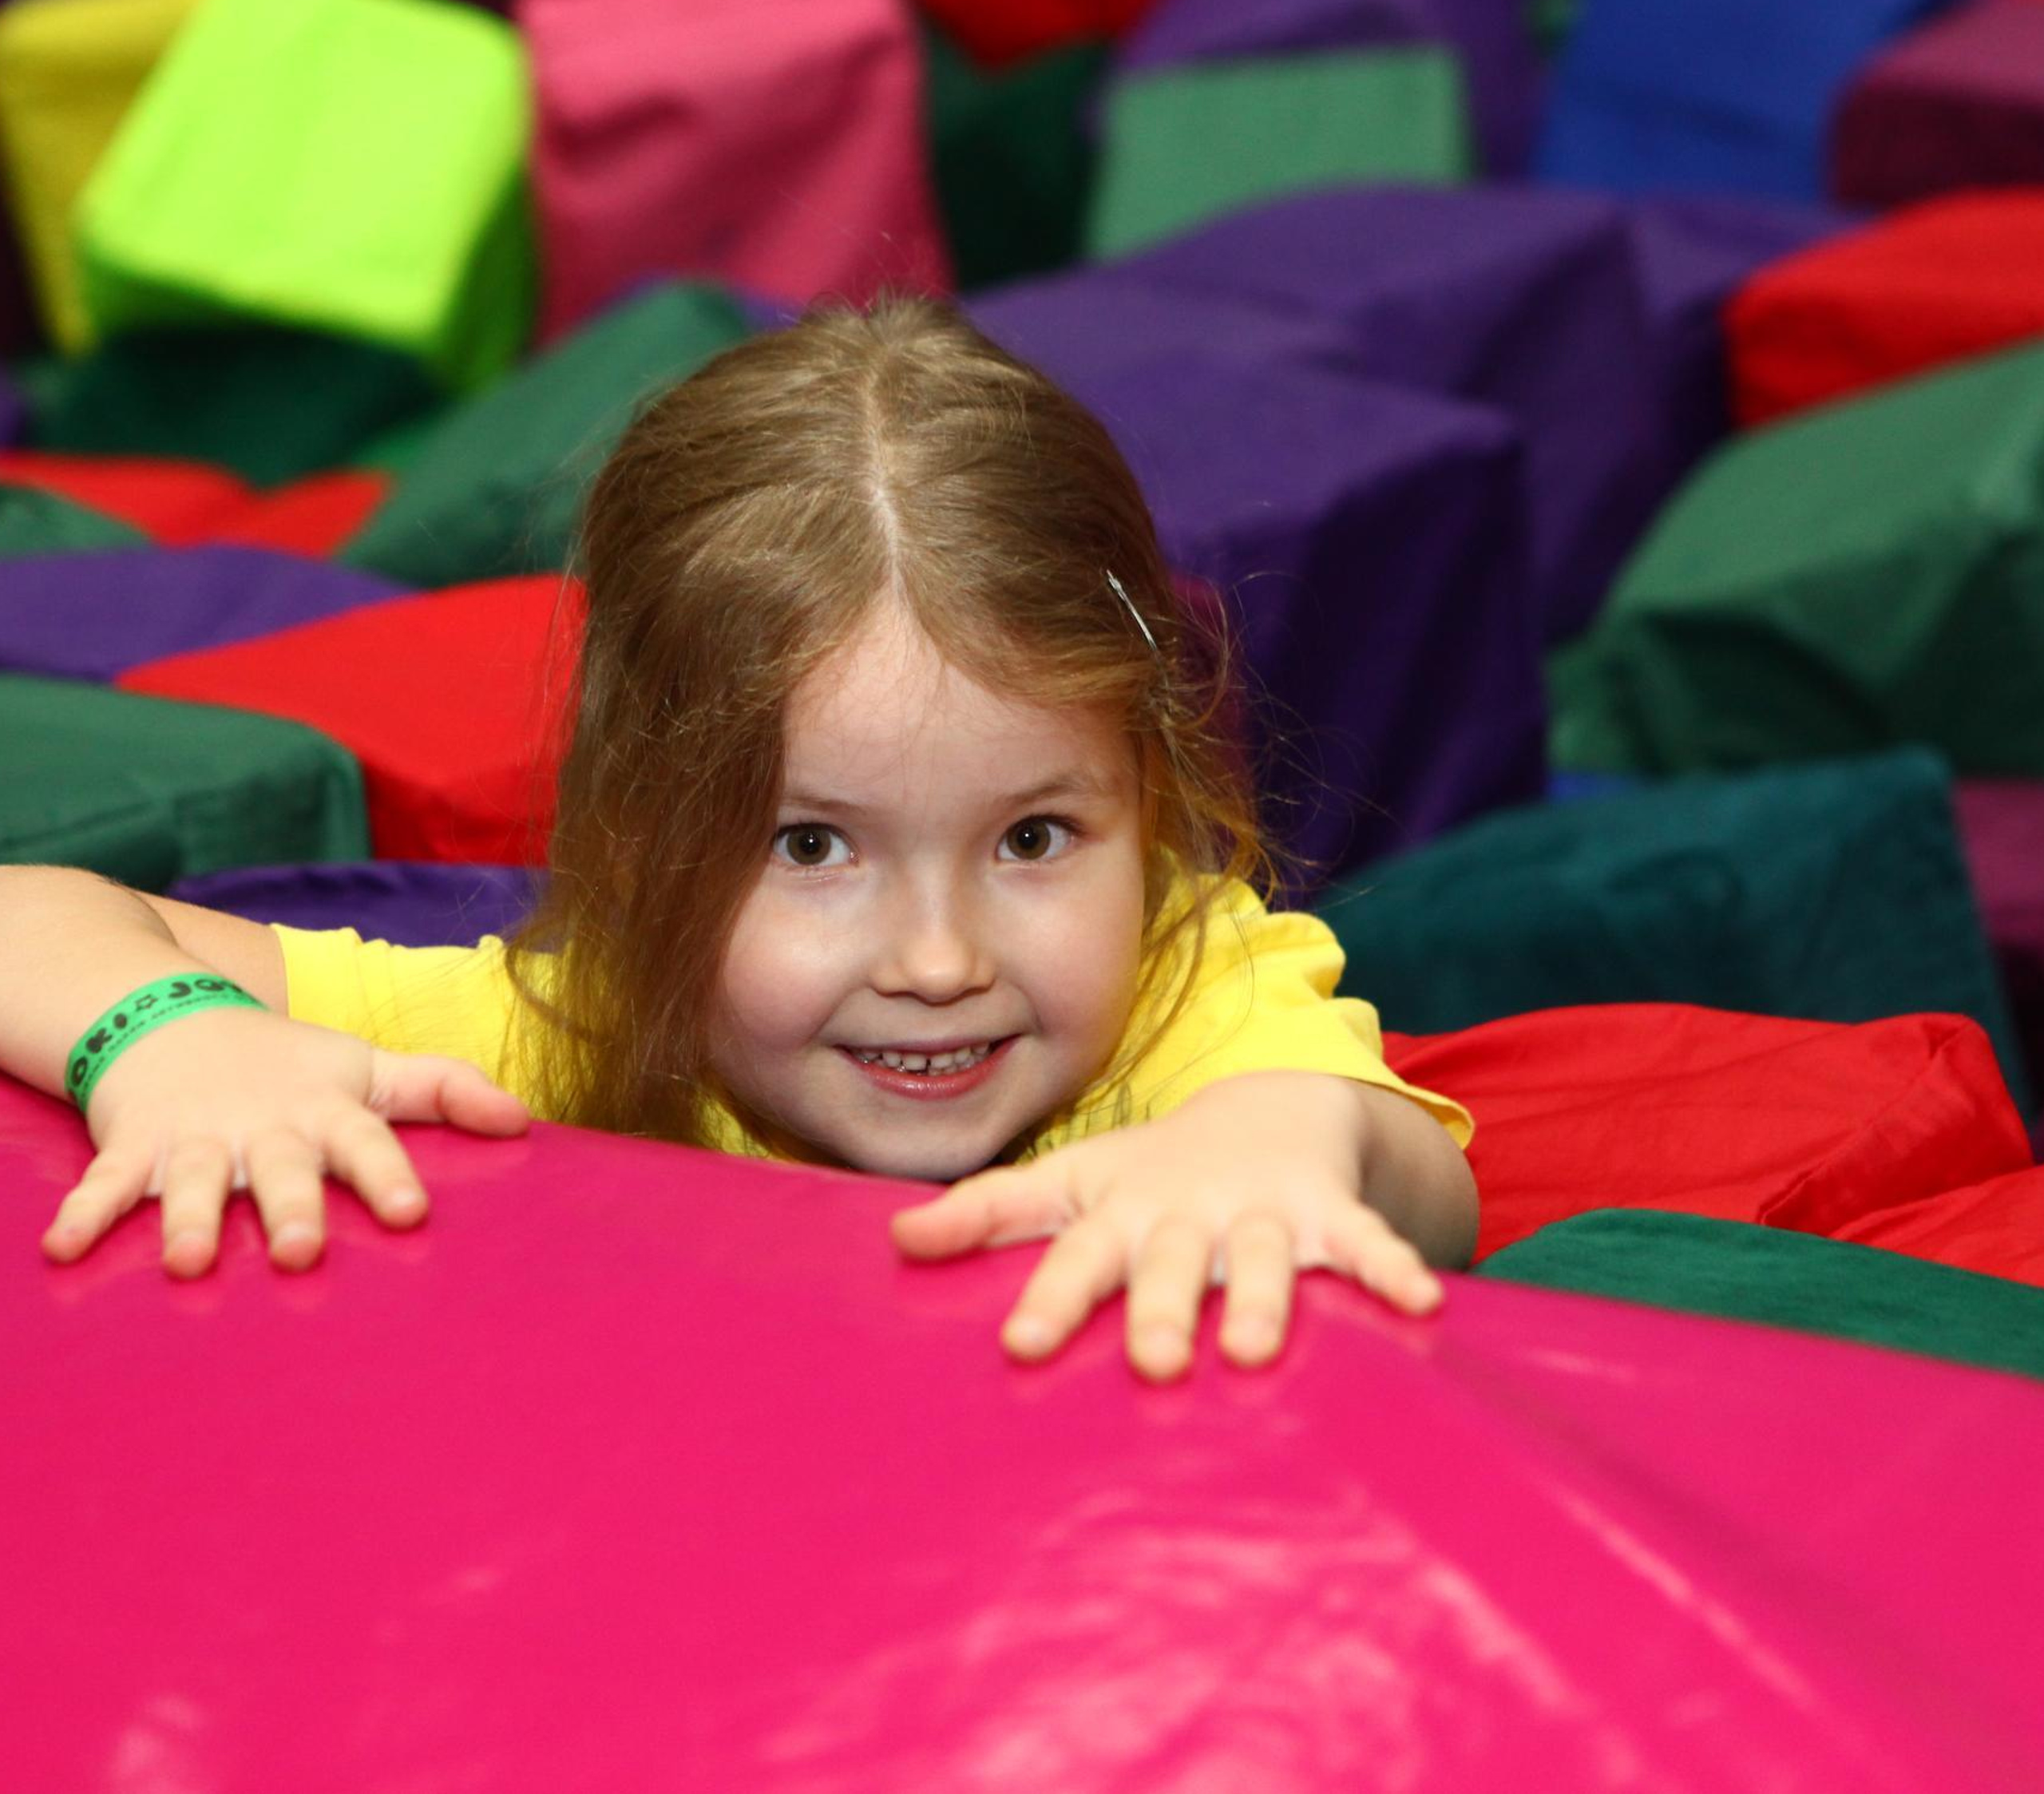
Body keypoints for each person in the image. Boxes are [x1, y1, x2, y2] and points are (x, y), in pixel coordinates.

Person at [1, 299, 1477, 1380]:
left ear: (1147, 799)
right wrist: (169, 1039)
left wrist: (1267, 1147)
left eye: (1033, 836)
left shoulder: (1178, 996)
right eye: (815, 850)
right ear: (647, 840)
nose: (940, 960)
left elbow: (1415, 1171)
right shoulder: (575, 1036)